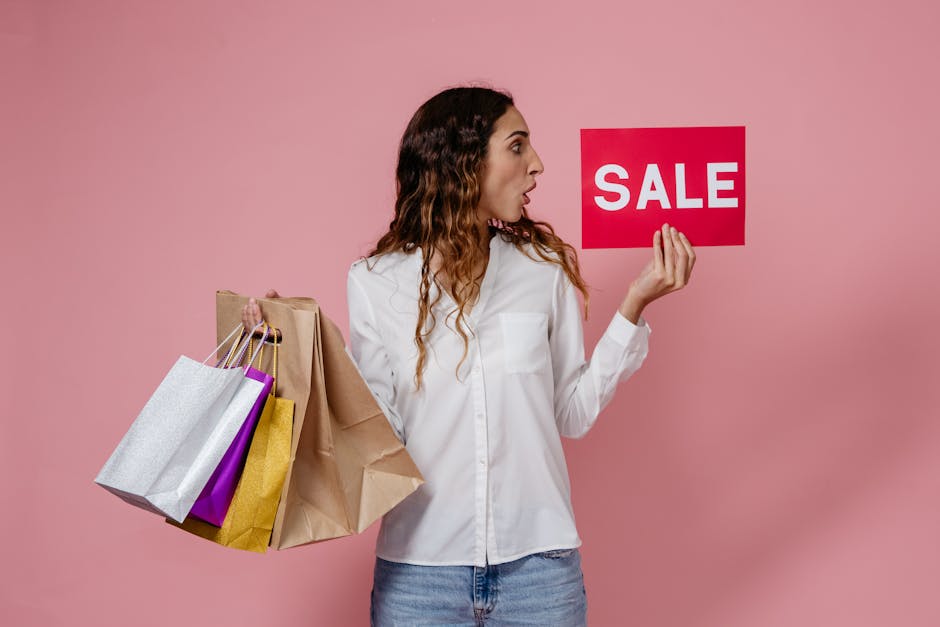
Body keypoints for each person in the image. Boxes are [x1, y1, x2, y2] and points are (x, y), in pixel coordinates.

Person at [242, 86, 694, 626]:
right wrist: (312, 346)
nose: (538, 165)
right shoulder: (375, 282)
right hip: (419, 576)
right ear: (464, 163)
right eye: (518, 146)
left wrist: (634, 305)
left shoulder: (542, 271)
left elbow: (571, 414)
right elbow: (380, 432)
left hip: (541, 573)